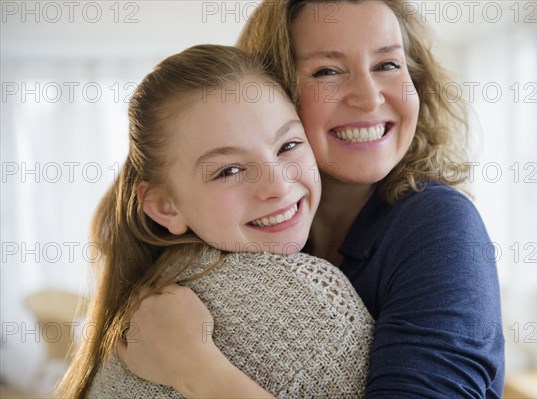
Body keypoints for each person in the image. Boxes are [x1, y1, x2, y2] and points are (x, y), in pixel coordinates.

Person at [119, 0, 506, 397]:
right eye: (327, 71)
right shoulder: (236, 250)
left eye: (388, 64)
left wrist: (198, 371)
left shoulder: (438, 225)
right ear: (275, 90)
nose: (369, 98)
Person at [55, 44, 375, 399]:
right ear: (165, 206)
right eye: (230, 170)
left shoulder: (163, 281)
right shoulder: (308, 296)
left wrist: (200, 372)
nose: (278, 185)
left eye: (287, 145)